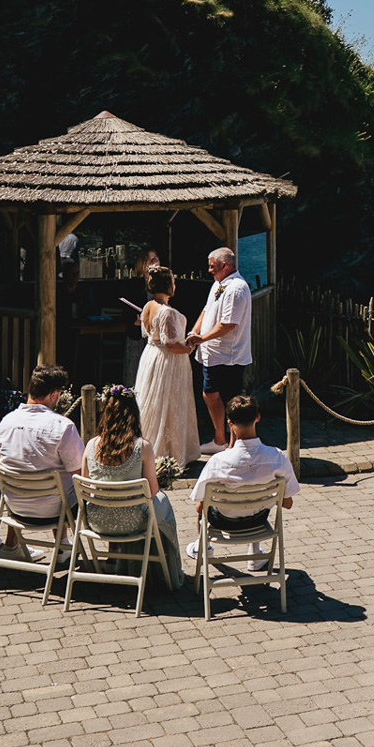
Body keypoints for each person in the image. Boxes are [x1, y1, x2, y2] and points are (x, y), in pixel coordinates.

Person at [188, 394, 298, 571]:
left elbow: (199, 507)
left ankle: (204, 548)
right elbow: (287, 503)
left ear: (230, 423)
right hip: (258, 521)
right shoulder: (277, 457)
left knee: (203, 505)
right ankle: (255, 556)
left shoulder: (218, 462)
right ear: (258, 418)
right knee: (258, 504)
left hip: (224, 521)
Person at [81, 385, 179, 583]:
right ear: (134, 414)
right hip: (135, 522)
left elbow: (86, 489)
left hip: (97, 521)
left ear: (105, 414)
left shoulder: (90, 446)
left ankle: (113, 558)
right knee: (163, 502)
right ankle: (161, 571)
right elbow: (151, 492)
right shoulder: (143, 447)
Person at [0, 364, 86, 559]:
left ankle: (14, 546)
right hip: (53, 511)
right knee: (71, 481)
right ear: (53, 394)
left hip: (15, 506)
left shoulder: (6, 422)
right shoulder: (63, 427)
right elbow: (80, 475)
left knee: (34, 468)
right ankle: (64, 547)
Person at [186, 247, 253, 452]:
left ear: (225, 266)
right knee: (210, 394)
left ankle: (233, 444)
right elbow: (206, 310)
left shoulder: (236, 288)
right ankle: (220, 439)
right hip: (213, 354)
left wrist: (202, 338)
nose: (209, 270)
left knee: (231, 400)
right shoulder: (218, 284)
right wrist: (194, 332)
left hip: (229, 355)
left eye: (212, 266)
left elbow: (228, 324)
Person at [134, 267, 202, 463]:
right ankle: (169, 453)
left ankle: (149, 449)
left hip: (150, 357)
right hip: (167, 362)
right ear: (167, 285)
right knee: (168, 404)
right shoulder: (167, 312)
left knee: (153, 402)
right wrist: (189, 347)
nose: (175, 284)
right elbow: (170, 343)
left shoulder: (147, 307)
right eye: (173, 281)